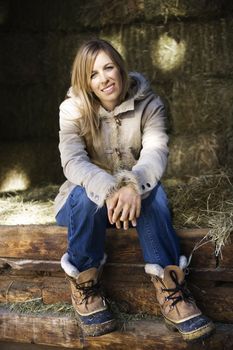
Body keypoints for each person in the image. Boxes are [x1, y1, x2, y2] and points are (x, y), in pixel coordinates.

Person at [54, 38, 214, 341]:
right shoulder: (72, 110)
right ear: (85, 81)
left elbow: (155, 152)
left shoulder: (149, 104)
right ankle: (85, 284)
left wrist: (131, 186)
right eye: (93, 74)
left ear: (120, 67)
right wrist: (113, 188)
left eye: (108, 67)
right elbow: (73, 161)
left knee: (154, 195)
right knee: (85, 197)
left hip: (136, 199)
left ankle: (170, 289)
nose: (104, 79)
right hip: (83, 203)